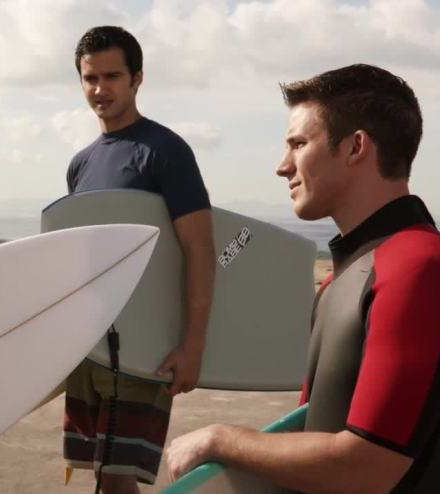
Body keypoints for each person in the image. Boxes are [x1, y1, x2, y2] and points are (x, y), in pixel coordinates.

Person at [165, 64, 440, 492]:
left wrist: (221, 440)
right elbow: (316, 443)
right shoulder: (342, 281)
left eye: (298, 144)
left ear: (356, 147)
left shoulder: (418, 267)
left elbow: (367, 466)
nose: (282, 166)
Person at [63, 26, 215, 493]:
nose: (99, 89)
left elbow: (200, 249)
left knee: (117, 474)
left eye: (112, 76)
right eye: (90, 78)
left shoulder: (165, 152)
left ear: (137, 78)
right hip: (91, 340)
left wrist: (193, 345)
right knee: (101, 471)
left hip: (143, 341)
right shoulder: (81, 163)